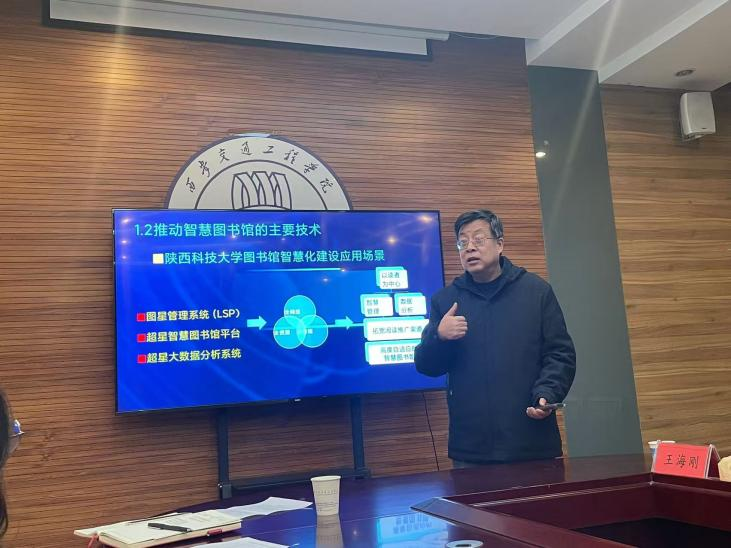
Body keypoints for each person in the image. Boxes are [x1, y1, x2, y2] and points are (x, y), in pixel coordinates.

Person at [415, 209, 576, 465]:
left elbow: (560, 354)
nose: (469, 247)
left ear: (500, 244)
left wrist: (547, 392)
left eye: (478, 239)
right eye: (462, 242)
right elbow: (427, 366)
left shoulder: (536, 292)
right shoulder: (445, 301)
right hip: (472, 449)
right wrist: (439, 336)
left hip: (531, 440)